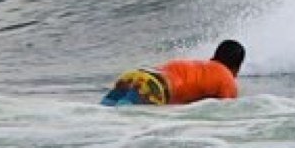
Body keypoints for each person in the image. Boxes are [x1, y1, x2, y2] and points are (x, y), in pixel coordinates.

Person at [101, 39, 245, 107]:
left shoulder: (201, 66)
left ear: (214, 56)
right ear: (237, 68)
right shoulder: (227, 79)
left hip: (135, 76)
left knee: (104, 112)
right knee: (126, 118)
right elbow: (224, 112)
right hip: (154, 87)